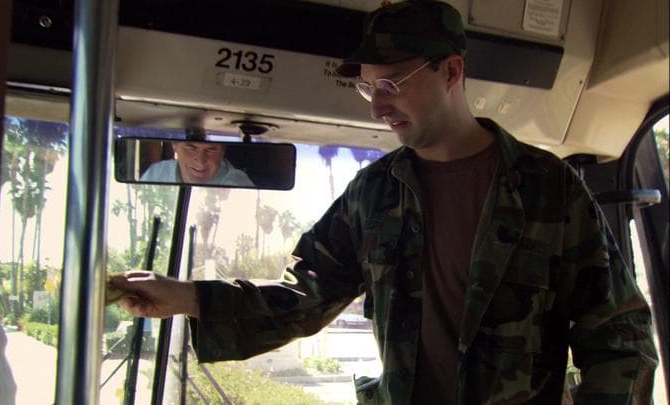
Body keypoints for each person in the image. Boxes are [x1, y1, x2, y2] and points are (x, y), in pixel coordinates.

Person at [111, 1, 658, 403]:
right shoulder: (373, 195)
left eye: (392, 83)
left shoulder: (549, 187)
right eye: (369, 88)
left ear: (451, 70)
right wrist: (186, 297)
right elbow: (306, 297)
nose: (378, 107)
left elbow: (618, 334)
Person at [140, 141, 254, 187]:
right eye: (191, 148)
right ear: (174, 145)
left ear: (223, 152)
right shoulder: (157, 173)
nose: (200, 160)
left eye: (211, 150)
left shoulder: (238, 184)